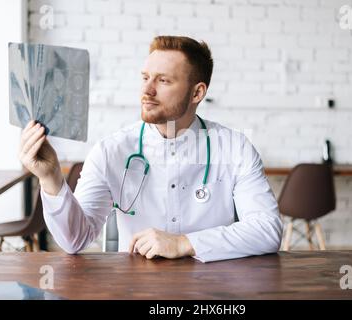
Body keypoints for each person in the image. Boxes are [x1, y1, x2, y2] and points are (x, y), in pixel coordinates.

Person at [19, 36, 283, 263]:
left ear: (196, 93)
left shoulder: (234, 148)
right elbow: (75, 240)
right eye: (145, 78)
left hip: (211, 289)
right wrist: (51, 178)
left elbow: (267, 230)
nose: (147, 90)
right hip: (135, 289)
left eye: (163, 81)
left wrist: (183, 243)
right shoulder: (111, 151)